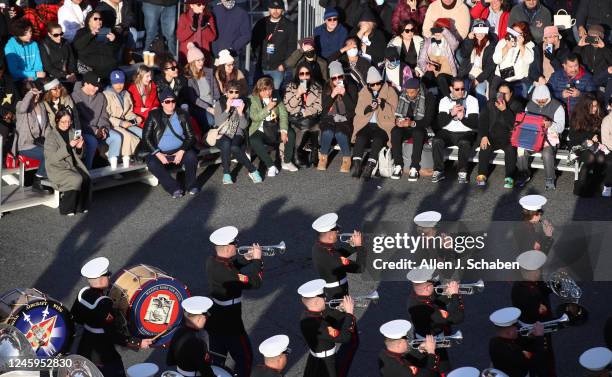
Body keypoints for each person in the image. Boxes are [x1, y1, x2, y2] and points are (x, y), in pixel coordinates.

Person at [71, 257, 153, 376]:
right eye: (107, 275)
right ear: (101, 278)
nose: (109, 277)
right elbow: (111, 334)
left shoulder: (82, 293)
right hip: (103, 352)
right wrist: (138, 342)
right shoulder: (104, 302)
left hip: (85, 345)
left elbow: (76, 317)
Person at [206, 226, 264, 377]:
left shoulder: (212, 261)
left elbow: (231, 265)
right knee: (245, 358)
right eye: (235, 243)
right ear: (227, 247)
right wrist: (258, 261)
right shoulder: (227, 272)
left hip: (215, 319)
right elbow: (255, 283)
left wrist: (246, 258)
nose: (237, 245)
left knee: (216, 359)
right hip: (231, 323)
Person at [142, 88, 198, 198]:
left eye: (173, 101)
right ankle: (174, 187)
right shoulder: (154, 115)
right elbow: (146, 138)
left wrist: (182, 151)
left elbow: (191, 136)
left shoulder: (182, 114)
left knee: (191, 156)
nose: (171, 104)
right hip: (160, 152)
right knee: (151, 162)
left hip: (179, 150)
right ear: (162, 103)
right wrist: (158, 153)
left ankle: (191, 185)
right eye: (167, 101)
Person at [407, 267, 464, 374]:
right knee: (442, 371)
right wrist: (455, 295)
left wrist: (447, 294)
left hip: (424, 337)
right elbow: (458, 318)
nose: (435, 285)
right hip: (432, 344)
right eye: (432, 284)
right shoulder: (429, 311)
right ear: (427, 288)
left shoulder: (415, 297)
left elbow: (436, 302)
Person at [298, 279, 357, 377]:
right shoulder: (320, 325)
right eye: (323, 297)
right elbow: (344, 337)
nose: (326, 298)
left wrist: (339, 308)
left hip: (314, 360)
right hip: (326, 364)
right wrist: (349, 313)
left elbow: (324, 317)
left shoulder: (305, 315)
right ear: (316, 302)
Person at [351, 66, 399, 180]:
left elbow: (394, 111)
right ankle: (357, 166)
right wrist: (369, 108)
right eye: (372, 85)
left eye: (378, 83)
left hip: (382, 123)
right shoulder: (364, 91)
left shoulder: (391, 91)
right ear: (368, 84)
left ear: (381, 82)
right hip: (366, 123)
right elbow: (358, 110)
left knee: (378, 139)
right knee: (360, 136)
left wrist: (382, 104)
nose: (376, 87)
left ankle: (369, 166)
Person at [516, 85, 565, 190]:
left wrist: (551, 124)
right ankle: (524, 174)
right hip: (533, 135)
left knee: (547, 153)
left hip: (550, 136)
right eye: (539, 100)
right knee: (521, 149)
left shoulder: (557, 106)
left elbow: (561, 127)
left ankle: (550, 179)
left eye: (544, 100)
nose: (541, 102)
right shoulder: (530, 105)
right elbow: (525, 121)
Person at [213, 80, 263, 184]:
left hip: (237, 133)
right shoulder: (220, 103)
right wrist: (227, 109)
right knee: (226, 143)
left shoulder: (244, 104)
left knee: (234, 147)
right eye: (231, 92)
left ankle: (252, 170)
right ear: (226, 92)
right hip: (222, 133)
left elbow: (244, 125)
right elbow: (217, 122)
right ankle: (226, 174)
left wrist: (240, 113)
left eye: (236, 92)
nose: (234, 95)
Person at [431, 78, 479, 184]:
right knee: (436, 140)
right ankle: (438, 170)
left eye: (462, 88)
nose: (460, 91)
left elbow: (474, 124)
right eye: (457, 89)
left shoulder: (472, 100)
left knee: (464, 142)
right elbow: (441, 123)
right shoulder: (444, 100)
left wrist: (463, 118)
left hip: (466, 132)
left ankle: (462, 171)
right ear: (451, 89)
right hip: (448, 131)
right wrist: (451, 114)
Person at [44, 109, 91, 215]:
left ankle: (81, 206)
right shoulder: (51, 137)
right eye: (63, 121)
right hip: (57, 167)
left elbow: (79, 155)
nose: (67, 124)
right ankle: (67, 208)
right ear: (57, 121)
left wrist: (79, 148)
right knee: (75, 179)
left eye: (69, 121)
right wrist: (69, 146)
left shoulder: (73, 132)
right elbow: (52, 158)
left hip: (73, 165)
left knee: (86, 177)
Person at [476, 82, 523, 188]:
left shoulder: (517, 105)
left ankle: (509, 177)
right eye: (499, 93)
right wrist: (484, 135)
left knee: (511, 149)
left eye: (505, 93)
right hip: (492, 136)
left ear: (511, 93)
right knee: (484, 146)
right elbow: (483, 121)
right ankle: (481, 175)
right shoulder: (490, 104)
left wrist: (505, 110)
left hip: (509, 137)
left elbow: (516, 126)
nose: (501, 96)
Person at [248, 77, 297, 177]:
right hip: (261, 127)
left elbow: (283, 113)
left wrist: (283, 130)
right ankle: (271, 166)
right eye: (264, 90)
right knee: (254, 139)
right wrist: (268, 108)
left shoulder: (276, 96)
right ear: (259, 89)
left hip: (274, 126)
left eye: (270, 89)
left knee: (290, 133)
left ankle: (287, 161)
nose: (267, 92)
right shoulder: (253, 99)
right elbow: (255, 118)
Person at [390, 77, 436, 181]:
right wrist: (398, 121)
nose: (409, 95)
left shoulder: (429, 97)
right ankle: (398, 164)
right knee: (395, 131)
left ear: (418, 90)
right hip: (407, 126)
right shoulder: (403, 96)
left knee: (417, 133)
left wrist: (412, 123)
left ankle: (414, 166)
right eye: (407, 92)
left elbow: (428, 120)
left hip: (422, 127)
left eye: (412, 92)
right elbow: (399, 114)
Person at [71, 72, 120, 170]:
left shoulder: (101, 97)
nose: (97, 89)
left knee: (116, 138)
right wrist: (95, 131)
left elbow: (103, 116)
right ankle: (88, 170)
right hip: (82, 131)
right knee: (92, 142)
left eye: (98, 86)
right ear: (85, 84)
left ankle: (113, 168)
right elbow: (77, 121)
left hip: (99, 130)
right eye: (94, 86)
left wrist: (103, 129)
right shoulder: (74, 97)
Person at [311, 213, 364, 300]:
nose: (338, 232)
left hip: (331, 291)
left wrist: (353, 245)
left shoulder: (318, 247)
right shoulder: (333, 259)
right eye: (336, 230)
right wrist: (360, 247)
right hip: (338, 293)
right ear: (329, 235)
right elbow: (360, 268)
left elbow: (338, 254)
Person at [317, 61, 357, 173]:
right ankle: (323, 157)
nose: (337, 80)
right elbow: (324, 107)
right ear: (331, 79)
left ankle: (347, 158)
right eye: (334, 78)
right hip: (329, 117)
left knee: (340, 133)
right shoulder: (327, 87)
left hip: (345, 118)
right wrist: (332, 95)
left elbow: (352, 108)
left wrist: (345, 95)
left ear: (343, 76)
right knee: (328, 132)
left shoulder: (351, 86)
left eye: (340, 77)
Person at [569, 94, 611, 196]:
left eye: (596, 106)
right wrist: (589, 137)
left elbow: (602, 132)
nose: (595, 108)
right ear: (585, 106)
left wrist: (596, 138)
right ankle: (580, 187)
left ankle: (593, 185)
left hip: (595, 145)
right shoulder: (577, 116)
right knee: (590, 158)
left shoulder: (599, 115)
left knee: (601, 158)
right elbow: (573, 136)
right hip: (579, 146)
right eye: (592, 106)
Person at [283, 61, 323, 168]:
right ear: (297, 74)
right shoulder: (291, 86)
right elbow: (288, 107)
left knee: (317, 126)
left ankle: (314, 152)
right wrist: (297, 94)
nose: (304, 77)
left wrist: (306, 112)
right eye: (302, 74)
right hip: (295, 119)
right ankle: (297, 153)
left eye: (307, 73)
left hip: (309, 117)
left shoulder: (316, 87)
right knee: (303, 128)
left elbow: (319, 106)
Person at [251, 0, 297, 91]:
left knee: (275, 93)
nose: (275, 11)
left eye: (278, 8)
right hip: (261, 67)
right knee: (257, 93)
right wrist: (257, 57)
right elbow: (254, 42)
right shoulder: (261, 23)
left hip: (278, 68)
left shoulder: (288, 25)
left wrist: (284, 64)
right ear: (269, 9)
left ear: (282, 10)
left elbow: (292, 47)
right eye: (273, 8)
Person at [488, 307, 548, 377]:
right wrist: (539, 337)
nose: (518, 329)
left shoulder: (493, 341)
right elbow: (536, 362)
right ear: (509, 333)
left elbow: (516, 341)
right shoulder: (513, 353)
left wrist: (530, 337)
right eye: (517, 327)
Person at [166, 296, 216, 377]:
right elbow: (204, 369)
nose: (206, 320)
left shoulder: (178, 331)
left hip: (178, 372)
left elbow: (170, 360)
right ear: (198, 320)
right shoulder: (198, 341)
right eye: (205, 318)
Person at [13, 82, 48, 188]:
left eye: (37, 93)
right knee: (48, 154)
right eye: (34, 93)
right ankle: (38, 178)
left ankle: (50, 178)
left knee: (57, 151)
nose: (36, 96)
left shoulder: (41, 106)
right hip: (25, 145)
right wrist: (30, 94)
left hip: (41, 142)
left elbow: (46, 127)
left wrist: (50, 139)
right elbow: (23, 108)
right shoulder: (20, 105)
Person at [103, 70, 142, 166]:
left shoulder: (126, 94)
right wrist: (120, 123)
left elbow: (128, 112)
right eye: (116, 83)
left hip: (125, 123)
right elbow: (106, 115)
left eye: (121, 82)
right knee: (127, 136)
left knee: (143, 133)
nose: (119, 85)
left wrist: (136, 118)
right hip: (112, 124)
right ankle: (121, 159)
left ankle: (137, 157)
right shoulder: (106, 95)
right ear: (111, 83)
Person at [416, 18, 459, 98]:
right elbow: (421, 60)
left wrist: (443, 31)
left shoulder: (450, 43)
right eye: (436, 29)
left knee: (441, 77)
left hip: (448, 74)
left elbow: (455, 43)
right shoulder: (428, 42)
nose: (437, 32)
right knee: (427, 76)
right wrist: (426, 67)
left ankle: (448, 99)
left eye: (440, 30)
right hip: (434, 71)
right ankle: (424, 98)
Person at [491, 22, 535, 97]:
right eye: (513, 32)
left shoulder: (529, 44)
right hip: (501, 77)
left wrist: (521, 45)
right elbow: (496, 60)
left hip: (518, 79)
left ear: (524, 34)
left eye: (518, 33)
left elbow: (529, 60)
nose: (514, 35)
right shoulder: (502, 42)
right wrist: (507, 47)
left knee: (517, 103)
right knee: (497, 100)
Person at [458, 20, 496, 108]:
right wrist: (468, 40)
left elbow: (490, 67)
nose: (480, 34)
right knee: (463, 88)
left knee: (479, 90)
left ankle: (481, 114)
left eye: (482, 31)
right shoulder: (471, 42)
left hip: (482, 76)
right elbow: (464, 54)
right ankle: (462, 110)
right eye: (477, 31)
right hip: (468, 73)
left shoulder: (491, 46)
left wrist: (477, 80)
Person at [72, 11, 119, 80]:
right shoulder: (82, 32)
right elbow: (77, 46)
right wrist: (91, 34)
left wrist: (113, 41)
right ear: (89, 21)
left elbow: (113, 50)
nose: (99, 21)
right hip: (90, 67)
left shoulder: (106, 31)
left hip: (107, 65)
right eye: (95, 19)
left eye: (100, 19)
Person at [184, 42, 219, 131]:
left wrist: (216, 104)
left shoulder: (208, 72)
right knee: (211, 121)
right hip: (199, 106)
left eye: (202, 59)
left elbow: (216, 92)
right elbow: (193, 99)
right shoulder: (189, 77)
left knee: (222, 117)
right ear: (192, 62)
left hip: (212, 103)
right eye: (198, 60)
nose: (201, 62)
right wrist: (208, 108)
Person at [574, 25, 612, 95]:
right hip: (586, 80)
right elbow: (572, 61)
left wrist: (604, 48)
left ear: (601, 37)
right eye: (591, 37)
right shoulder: (585, 48)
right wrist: (579, 46)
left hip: (603, 81)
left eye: (596, 37)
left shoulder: (608, 48)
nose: (594, 40)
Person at [177, 0, 217, 66]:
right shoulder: (184, 17)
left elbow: (212, 38)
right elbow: (180, 37)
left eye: (203, 3)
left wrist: (204, 27)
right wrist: (191, 29)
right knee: (187, 75)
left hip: (203, 55)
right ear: (191, 5)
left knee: (203, 75)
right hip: (187, 55)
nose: (202, 6)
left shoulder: (209, 17)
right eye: (199, 4)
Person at [4, 18, 45, 83]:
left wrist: (34, 77)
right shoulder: (10, 47)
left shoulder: (34, 44)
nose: (30, 35)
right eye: (25, 33)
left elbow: (38, 65)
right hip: (19, 80)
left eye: (30, 31)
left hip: (35, 78)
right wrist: (33, 74)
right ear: (18, 34)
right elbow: (13, 71)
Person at [0, 60, 18, 162]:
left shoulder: (8, 79)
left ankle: (12, 155)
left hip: (10, 113)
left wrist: (14, 113)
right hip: (3, 116)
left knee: (21, 124)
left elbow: (17, 99)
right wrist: (5, 114)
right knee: (4, 128)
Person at [601, 104, 612, 197]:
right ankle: (608, 186)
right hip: (609, 148)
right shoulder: (607, 120)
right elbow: (605, 140)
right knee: (610, 162)